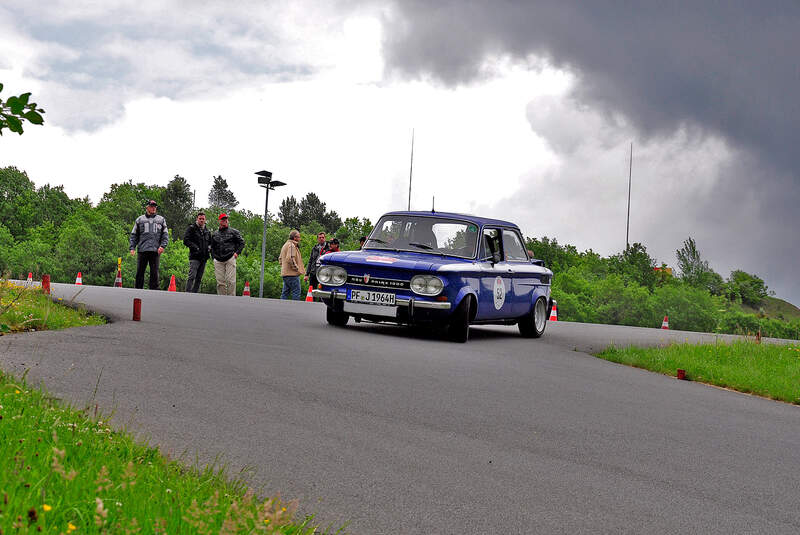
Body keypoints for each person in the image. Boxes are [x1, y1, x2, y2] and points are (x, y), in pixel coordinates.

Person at [129, 200, 169, 290]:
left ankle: (154, 291)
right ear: (147, 207)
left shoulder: (161, 220)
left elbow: (165, 235)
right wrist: (132, 247)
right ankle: (138, 290)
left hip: (155, 250)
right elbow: (134, 235)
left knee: (154, 272)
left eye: (155, 206)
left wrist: (163, 246)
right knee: (140, 271)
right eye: (151, 206)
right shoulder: (140, 219)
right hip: (142, 249)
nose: (153, 208)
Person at [210, 213, 245, 296]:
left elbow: (242, 243)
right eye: (223, 219)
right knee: (220, 282)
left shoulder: (234, 232)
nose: (225, 221)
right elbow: (211, 246)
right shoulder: (215, 234)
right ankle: (221, 299)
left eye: (226, 219)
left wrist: (237, 253)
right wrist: (213, 257)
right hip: (218, 259)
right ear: (219, 221)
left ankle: (231, 299)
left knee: (231, 281)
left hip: (230, 258)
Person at [183, 212, 211, 293]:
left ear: (205, 220)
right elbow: (186, 240)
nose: (202, 220)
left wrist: (209, 248)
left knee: (199, 278)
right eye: (200, 219)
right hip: (195, 256)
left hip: (204, 257)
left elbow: (210, 242)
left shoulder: (207, 231)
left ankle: (194, 294)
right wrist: (195, 247)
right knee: (192, 276)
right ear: (197, 219)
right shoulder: (191, 228)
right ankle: (187, 293)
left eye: (203, 219)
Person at [279, 229, 305, 300]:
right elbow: (290, 258)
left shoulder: (285, 245)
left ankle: (282, 307)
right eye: (299, 237)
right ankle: (295, 308)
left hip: (285, 274)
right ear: (295, 237)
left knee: (285, 293)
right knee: (296, 292)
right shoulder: (292, 245)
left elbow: (280, 259)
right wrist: (296, 268)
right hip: (292, 274)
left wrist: (284, 267)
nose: (300, 239)